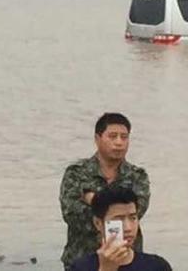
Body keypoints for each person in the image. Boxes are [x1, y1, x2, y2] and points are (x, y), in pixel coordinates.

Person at [60, 113, 150, 270]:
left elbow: (137, 211)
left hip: (127, 259)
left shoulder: (137, 175)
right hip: (82, 258)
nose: (119, 142)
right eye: (113, 136)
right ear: (97, 139)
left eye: (124, 137)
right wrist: (111, 213)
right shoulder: (76, 173)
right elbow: (73, 215)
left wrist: (93, 199)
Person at [71, 187, 171, 271]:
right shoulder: (80, 267)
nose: (128, 228)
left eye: (133, 218)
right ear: (98, 223)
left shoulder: (157, 266)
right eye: (118, 220)